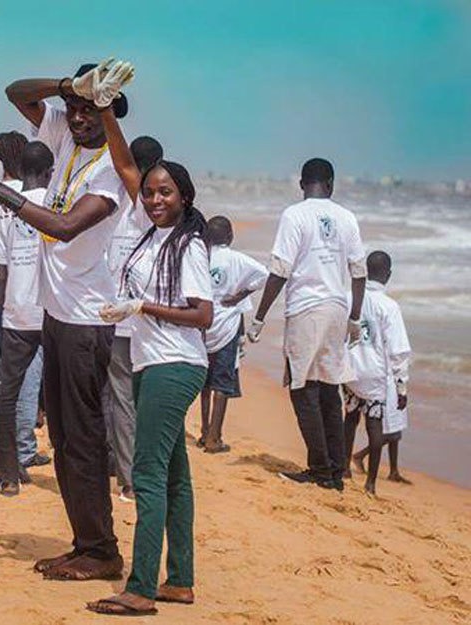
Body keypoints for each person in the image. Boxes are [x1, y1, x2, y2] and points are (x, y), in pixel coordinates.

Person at [0, 58, 135, 581]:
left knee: (83, 437)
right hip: (57, 316)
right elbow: (15, 89)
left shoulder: (109, 167)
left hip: (87, 322)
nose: (79, 118)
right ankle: (86, 542)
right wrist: (69, 87)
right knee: (64, 439)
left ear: (109, 114)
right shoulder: (62, 133)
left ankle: (102, 550)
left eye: (91, 110)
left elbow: (64, 227)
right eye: (74, 109)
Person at [89, 158, 213, 617]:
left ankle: (140, 587)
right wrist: (130, 309)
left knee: (147, 474)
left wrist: (143, 307)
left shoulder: (189, 246)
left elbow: (203, 315)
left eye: (165, 192)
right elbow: (125, 170)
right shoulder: (152, 236)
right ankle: (179, 581)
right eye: (149, 193)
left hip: (173, 365)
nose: (156, 200)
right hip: (150, 362)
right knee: (176, 477)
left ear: (184, 196)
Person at [248, 157, 367, 491]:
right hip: (337, 310)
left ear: (302, 184)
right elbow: (359, 272)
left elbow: (280, 269)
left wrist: (259, 317)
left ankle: (319, 470)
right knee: (329, 390)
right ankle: (335, 471)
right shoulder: (347, 217)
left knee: (304, 390)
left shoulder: (294, 215)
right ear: (330, 184)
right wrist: (355, 317)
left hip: (305, 311)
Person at [0, 140, 52, 495]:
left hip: (15, 314)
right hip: (53, 313)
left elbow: (0, 269)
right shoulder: (57, 204)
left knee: (6, 396)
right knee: (59, 399)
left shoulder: (1, 207)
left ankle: (8, 473)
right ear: (49, 172)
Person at [103, 135, 162, 502]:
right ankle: (136, 474)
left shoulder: (108, 201)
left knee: (120, 399)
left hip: (113, 315)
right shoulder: (159, 208)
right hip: (148, 318)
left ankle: (126, 476)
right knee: (140, 399)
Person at [342, 251, 411, 495]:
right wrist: (401, 387)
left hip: (350, 370)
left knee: (349, 420)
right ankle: (370, 483)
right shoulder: (389, 306)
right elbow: (398, 350)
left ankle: (343, 469)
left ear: (366, 272)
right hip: (375, 373)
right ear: (388, 275)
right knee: (374, 426)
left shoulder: (349, 297)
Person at [199, 216, 267, 453]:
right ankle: (214, 438)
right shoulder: (236, 259)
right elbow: (264, 275)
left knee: (204, 385)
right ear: (230, 237)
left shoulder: (200, 257)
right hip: (226, 328)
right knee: (222, 384)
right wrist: (239, 295)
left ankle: (204, 431)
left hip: (201, 326)